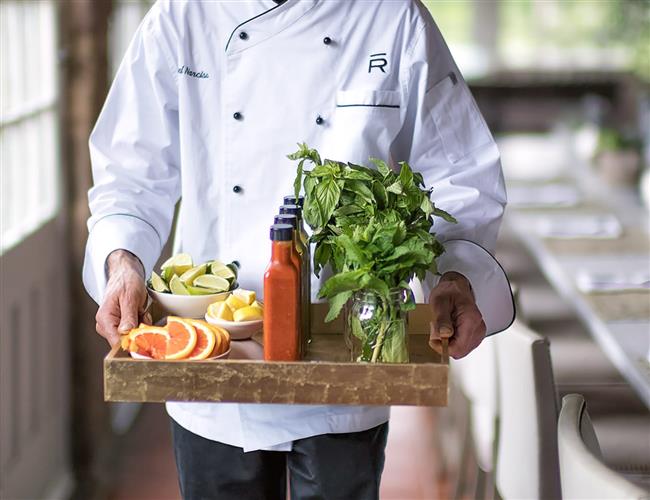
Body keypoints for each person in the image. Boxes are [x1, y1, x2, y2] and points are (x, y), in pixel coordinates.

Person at [84, 1, 515, 498]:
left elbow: (461, 173)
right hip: (216, 356)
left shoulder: (392, 16)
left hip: (350, 353)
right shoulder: (182, 17)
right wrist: (122, 262)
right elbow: (130, 176)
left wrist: (456, 276)